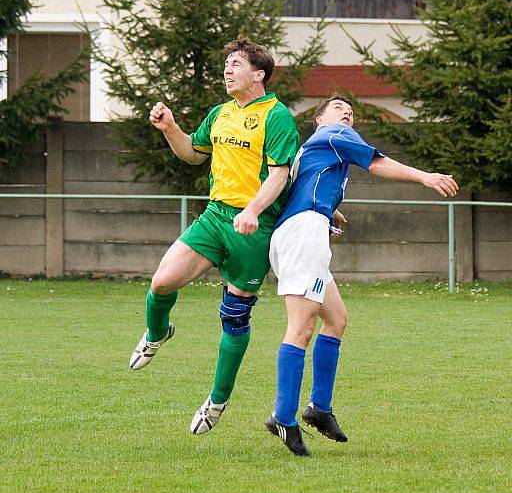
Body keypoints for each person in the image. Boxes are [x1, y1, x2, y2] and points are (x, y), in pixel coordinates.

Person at [265, 96, 459, 456]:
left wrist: (328, 214)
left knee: (336, 320)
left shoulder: (314, 150)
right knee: (301, 327)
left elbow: (301, 189)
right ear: (320, 119)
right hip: (303, 234)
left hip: (304, 231)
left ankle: (319, 408)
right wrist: (424, 176)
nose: (347, 113)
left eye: (350, 111)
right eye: (338, 107)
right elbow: (377, 162)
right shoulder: (335, 134)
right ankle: (283, 417)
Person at [129, 36, 299, 435]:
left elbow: (279, 175)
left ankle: (217, 400)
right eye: (226, 63)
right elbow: (192, 152)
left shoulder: (276, 116)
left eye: (236, 64)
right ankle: (157, 333)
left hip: (253, 227)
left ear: (259, 74)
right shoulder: (220, 113)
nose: (227, 69)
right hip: (215, 215)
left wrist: (253, 212)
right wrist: (171, 128)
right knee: (162, 281)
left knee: (235, 316)